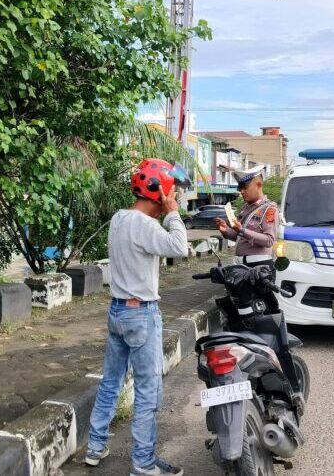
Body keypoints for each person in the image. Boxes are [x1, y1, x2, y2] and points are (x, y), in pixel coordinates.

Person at [85, 159, 190, 475]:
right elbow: (180, 247)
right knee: (148, 392)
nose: (172, 201)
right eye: (170, 195)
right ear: (158, 193)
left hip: (117, 311)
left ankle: (94, 445)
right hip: (141, 315)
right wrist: (172, 213)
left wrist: (166, 209)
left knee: (111, 382)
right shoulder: (147, 226)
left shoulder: (118, 219)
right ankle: (143, 464)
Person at [214, 166, 303, 405]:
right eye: (240, 188)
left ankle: (271, 362)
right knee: (240, 317)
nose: (242, 191)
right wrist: (226, 232)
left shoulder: (268, 209)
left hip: (259, 269)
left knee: (261, 317)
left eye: (245, 187)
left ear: (258, 185)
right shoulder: (245, 209)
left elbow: (269, 240)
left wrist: (241, 229)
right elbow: (239, 237)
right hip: (239, 270)